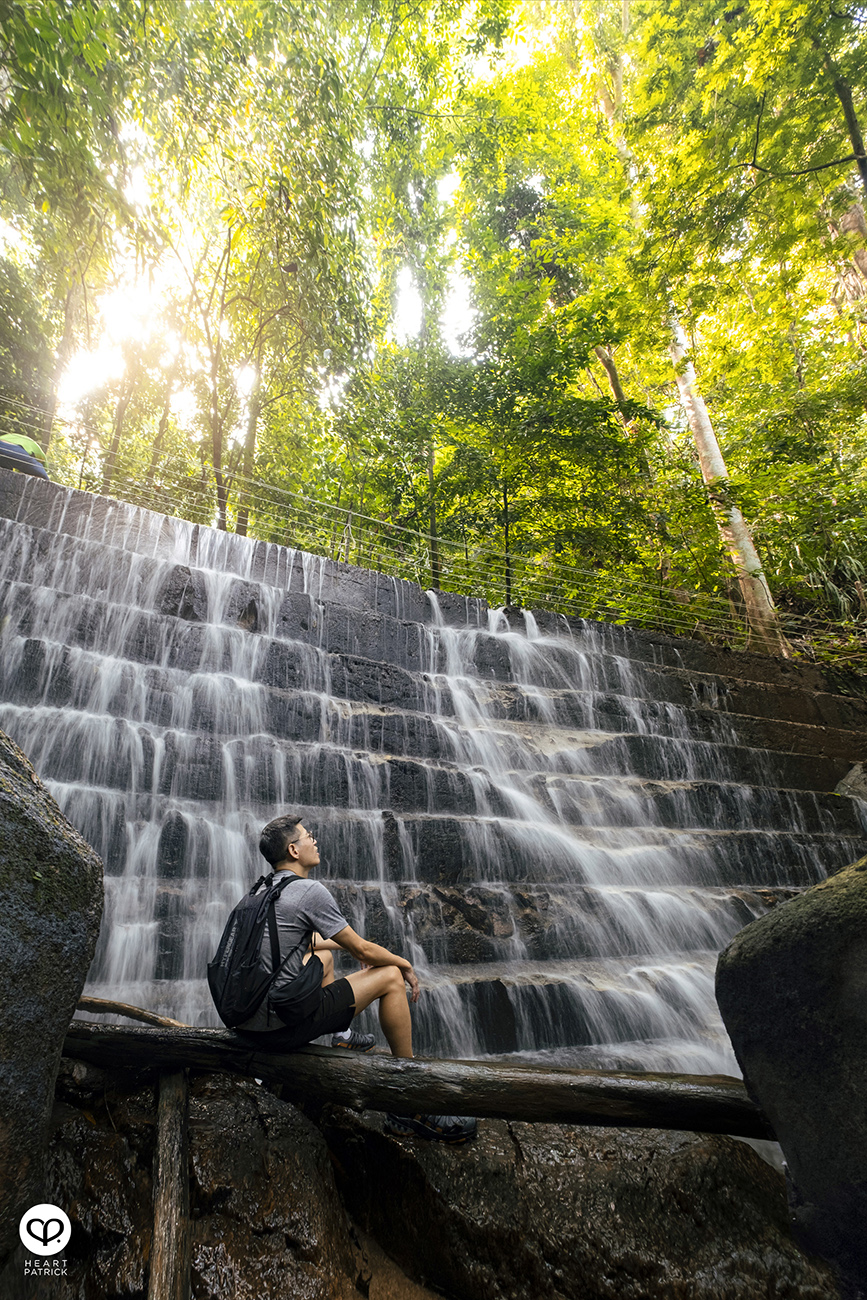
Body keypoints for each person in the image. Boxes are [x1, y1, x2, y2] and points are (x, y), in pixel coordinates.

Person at [234, 813, 477, 1144]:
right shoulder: (307, 891)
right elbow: (362, 948)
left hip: (248, 1023)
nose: (314, 840)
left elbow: (302, 944)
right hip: (279, 1030)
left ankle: (342, 1036)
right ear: (293, 850)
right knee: (390, 976)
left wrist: (355, 951)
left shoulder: (259, 893)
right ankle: (406, 1099)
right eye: (308, 836)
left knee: (323, 956)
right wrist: (402, 963)